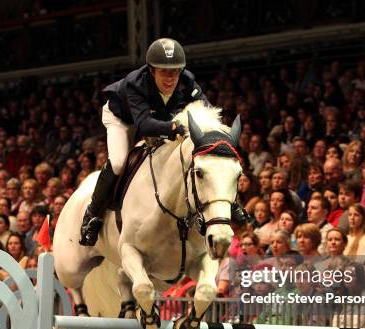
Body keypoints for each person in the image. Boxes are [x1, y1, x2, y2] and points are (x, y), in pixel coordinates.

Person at [79, 38, 243, 246]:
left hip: (162, 118)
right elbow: (144, 125)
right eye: (164, 72)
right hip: (122, 118)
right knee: (120, 162)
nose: (170, 78)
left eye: (175, 71)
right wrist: (176, 128)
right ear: (151, 70)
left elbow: (208, 113)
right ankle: (92, 215)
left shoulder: (187, 81)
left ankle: (229, 204)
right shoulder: (135, 83)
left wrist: (217, 135)